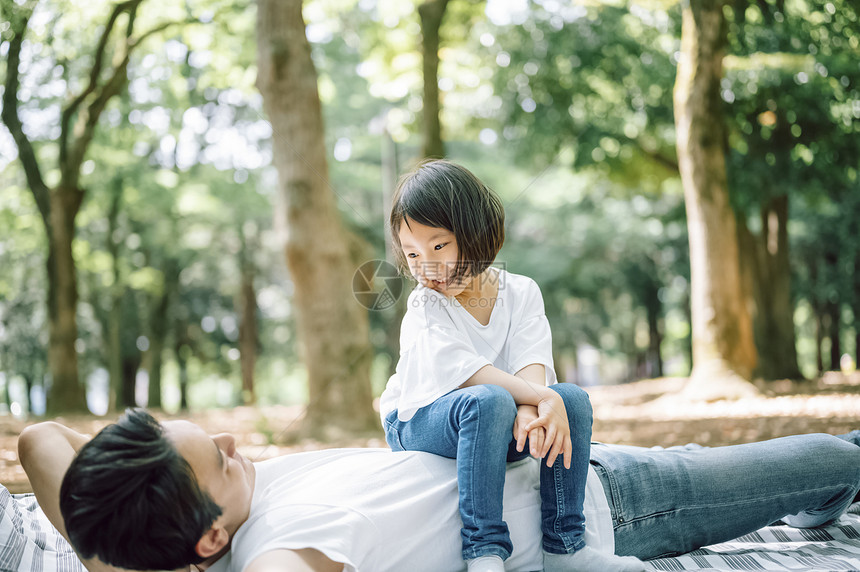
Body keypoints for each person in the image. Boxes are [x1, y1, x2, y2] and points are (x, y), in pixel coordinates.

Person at [16, 410, 860, 572]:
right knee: (828, 459)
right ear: (207, 539)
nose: (240, 444)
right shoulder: (290, 541)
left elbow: (38, 443)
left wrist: (109, 560)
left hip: (547, 461)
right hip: (612, 507)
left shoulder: (171, 532)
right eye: (224, 462)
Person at [379, 159, 636, 572]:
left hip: (500, 419)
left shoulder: (522, 292)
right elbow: (466, 375)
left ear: (475, 235)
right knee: (488, 401)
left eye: (439, 245)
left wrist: (536, 403)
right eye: (412, 253)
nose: (426, 266)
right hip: (417, 417)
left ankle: (565, 548)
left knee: (571, 399)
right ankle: (484, 552)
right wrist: (535, 399)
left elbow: (532, 361)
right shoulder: (425, 304)